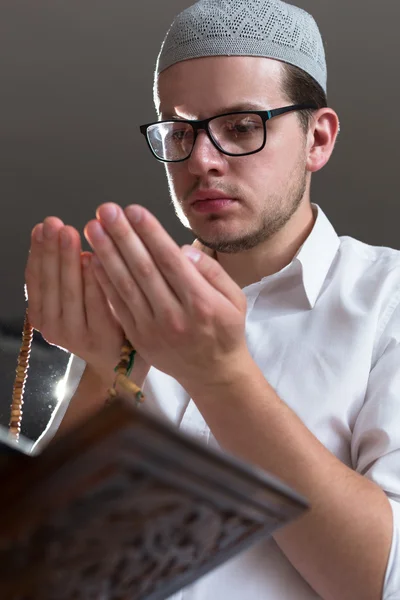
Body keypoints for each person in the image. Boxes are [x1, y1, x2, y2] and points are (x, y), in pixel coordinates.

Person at [25, 0, 399, 598]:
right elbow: (40, 563)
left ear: (318, 139)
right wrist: (104, 372)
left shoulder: (388, 301)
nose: (201, 160)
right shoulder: (132, 309)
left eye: (242, 127)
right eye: (180, 131)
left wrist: (222, 377)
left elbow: (381, 580)